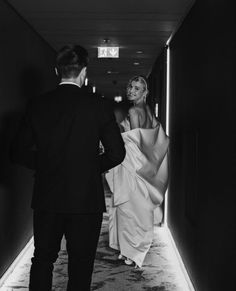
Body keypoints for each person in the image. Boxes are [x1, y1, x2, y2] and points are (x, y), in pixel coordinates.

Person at [10, 44, 126, 291]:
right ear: (84, 72)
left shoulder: (37, 105)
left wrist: (48, 164)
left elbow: (17, 152)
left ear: (57, 70)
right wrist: (87, 167)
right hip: (86, 201)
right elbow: (117, 154)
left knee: (42, 261)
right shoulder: (99, 105)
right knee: (81, 266)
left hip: (47, 198)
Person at [106, 75, 169, 268]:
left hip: (133, 167)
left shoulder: (134, 111)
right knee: (137, 209)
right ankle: (131, 249)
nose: (131, 90)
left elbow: (134, 145)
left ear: (145, 92)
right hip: (144, 167)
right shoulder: (148, 110)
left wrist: (117, 139)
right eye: (130, 86)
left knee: (129, 209)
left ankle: (132, 251)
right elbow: (154, 139)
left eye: (137, 88)